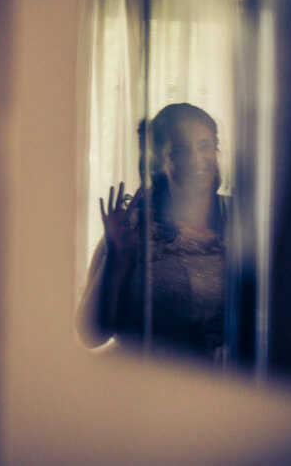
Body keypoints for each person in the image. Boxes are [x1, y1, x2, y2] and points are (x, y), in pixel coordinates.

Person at [77, 103, 226, 359]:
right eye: (180, 151)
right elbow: (90, 335)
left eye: (204, 146)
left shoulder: (241, 217)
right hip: (139, 384)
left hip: (222, 389)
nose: (195, 159)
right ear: (158, 162)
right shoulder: (133, 226)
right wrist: (117, 258)